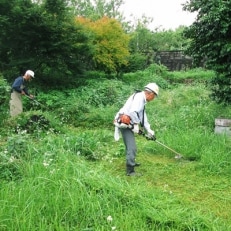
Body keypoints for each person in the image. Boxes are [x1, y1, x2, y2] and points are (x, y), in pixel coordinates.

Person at [114, 83, 159, 176]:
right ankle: (130, 171)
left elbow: (143, 116)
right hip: (124, 122)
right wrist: (135, 124)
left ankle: (131, 161)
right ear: (150, 94)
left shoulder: (142, 100)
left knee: (129, 146)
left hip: (129, 122)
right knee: (132, 147)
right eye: (154, 96)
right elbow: (132, 111)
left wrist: (149, 130)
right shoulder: (139, 98)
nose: (153, 99)